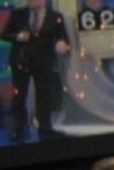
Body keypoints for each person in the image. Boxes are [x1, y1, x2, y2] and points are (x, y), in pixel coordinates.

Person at [0, 0, 70, 142]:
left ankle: (45, 130)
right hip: (21, 61)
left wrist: (62, 44)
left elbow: (62, 37)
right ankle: (19, 131)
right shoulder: (18, 14)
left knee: (44, 97)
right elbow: (4, 34)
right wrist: (17, 37)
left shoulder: (55, 16)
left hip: (43, 63)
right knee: (19, 97)